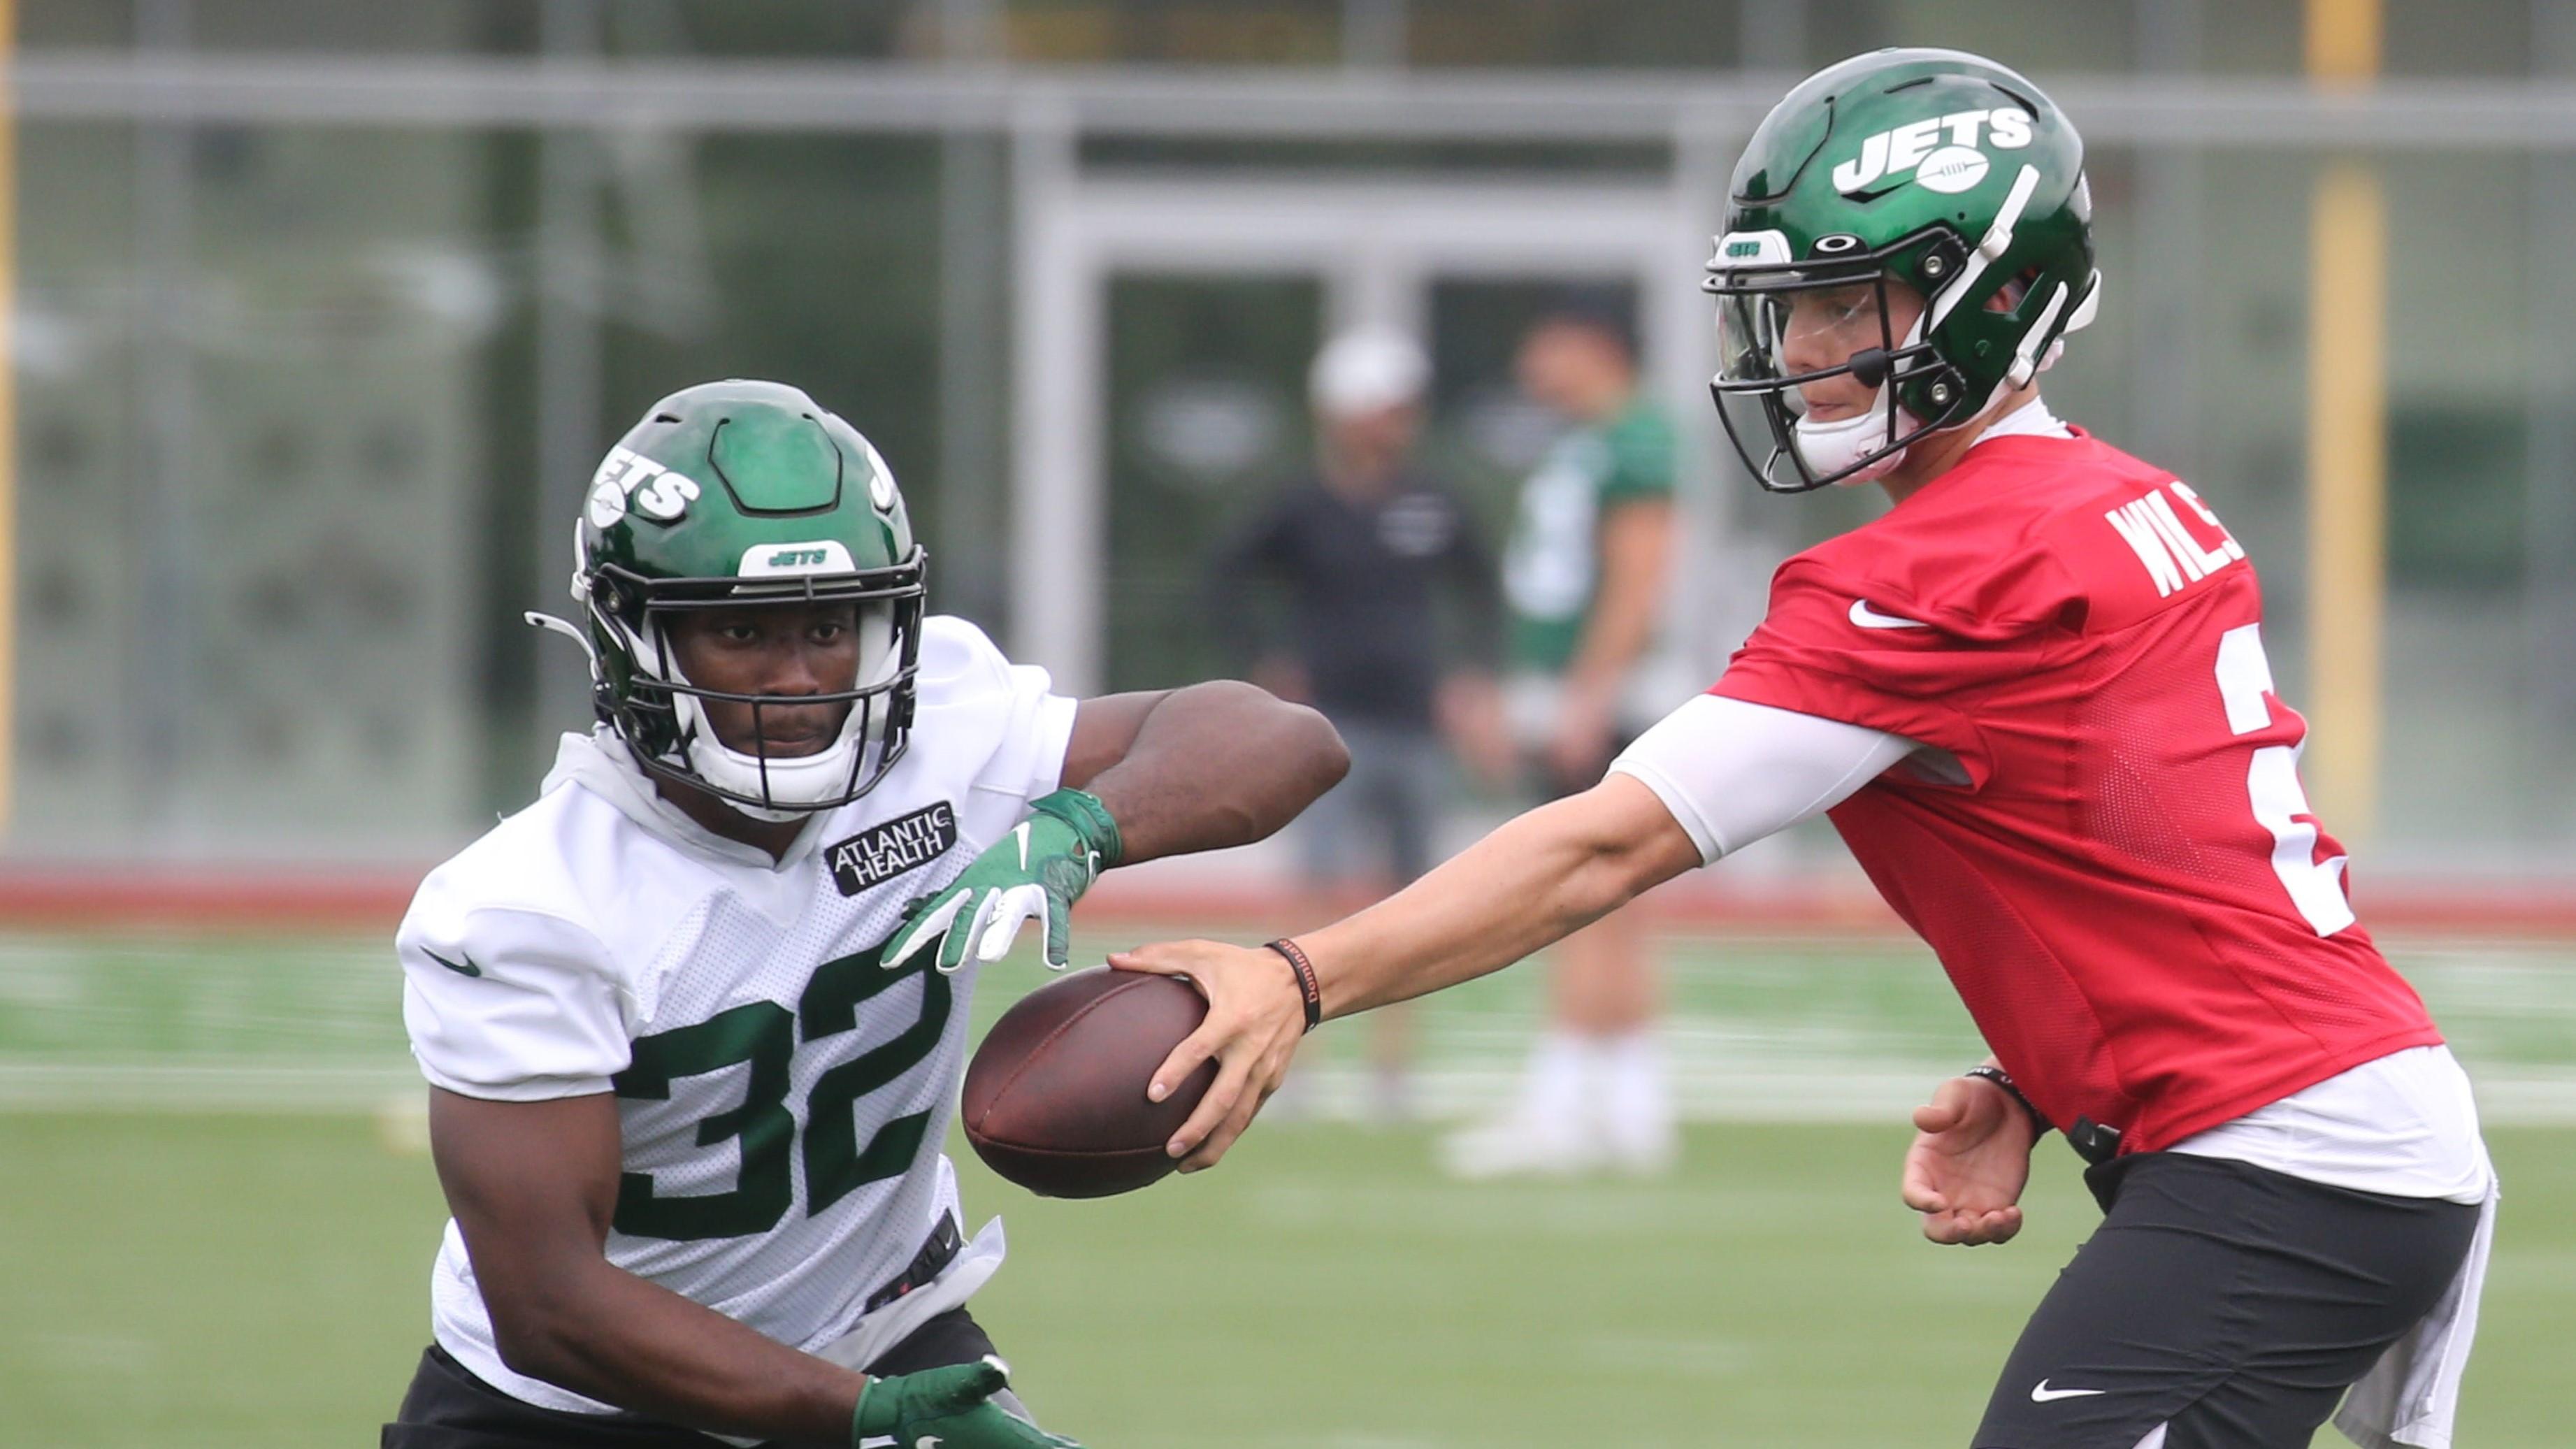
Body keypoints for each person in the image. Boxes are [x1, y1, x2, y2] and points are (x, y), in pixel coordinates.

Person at [1114, 50, 2494, 1449]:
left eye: (1843, 305)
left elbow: (1609, 842)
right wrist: (2039, 1078)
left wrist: (1299, 975)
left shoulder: (1947, 564)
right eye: (1788, 312)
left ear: (1992, 295)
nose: (1798, 354)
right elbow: (2159, 842)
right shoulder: (2129, 501)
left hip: (2283, 1155)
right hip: (2329, 1118)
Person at [381, 380, 1346, 1449]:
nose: (799, 680)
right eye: (742, 634)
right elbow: (550, 1307)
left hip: (882, 1327)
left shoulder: (944, 735)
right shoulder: (527, 907)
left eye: (831, 627)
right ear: (631, 634)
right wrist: (864, 1422)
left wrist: (1075, 828)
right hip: (580, 1411)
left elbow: (1282, 739)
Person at [1207, 328, 1503, 1118]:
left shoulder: (1432, 501)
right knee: (1318, 886)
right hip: (1326, 732)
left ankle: (1392, 1072)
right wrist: (1265, 662)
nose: (1394, 423)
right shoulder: (1300, 505)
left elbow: (1482, 591)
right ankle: (1296, 1062)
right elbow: (1226, 579)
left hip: (1412, 722)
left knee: (1412, 899)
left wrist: (1473, 679)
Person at [1439, 300, 1680, 1178]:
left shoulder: (1635, 440)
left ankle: (1564, 1103)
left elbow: (1638, 574)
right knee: (1607, 908)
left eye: (1546, 345)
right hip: (1573, 689)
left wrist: (1588, 693)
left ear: (1592, 347)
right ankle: (1628, 1104)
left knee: (1573, 897)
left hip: (1600, 695)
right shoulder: (1589, 439)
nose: (1532, 365)